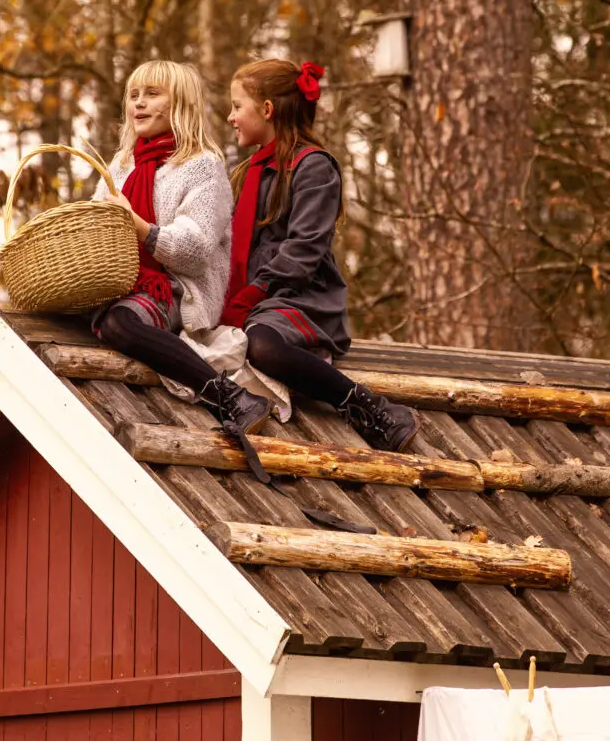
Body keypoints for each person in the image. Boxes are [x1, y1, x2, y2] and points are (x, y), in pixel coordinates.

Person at [221, 57, 418, 452]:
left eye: (237, 106)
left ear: (267, 109)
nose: (230, 117)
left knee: (262, 345)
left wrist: (253, 294)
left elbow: (303, 251)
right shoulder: (246, 173)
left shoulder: (313, 167)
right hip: (253, 297)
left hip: (299, 297)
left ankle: (369, 408)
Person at [90, 60, 273, 452]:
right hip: (120, 283)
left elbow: (193, 251)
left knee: (119, 323)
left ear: (180, 105)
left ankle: (229, 396)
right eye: (134, 96)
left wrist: (139, 226)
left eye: (152, 94)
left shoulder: (202, 167)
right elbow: (95, 231)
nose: (138, 104)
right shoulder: (120, 167)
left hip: (176, 290)